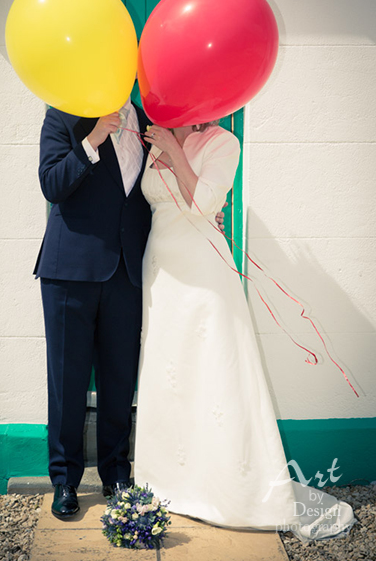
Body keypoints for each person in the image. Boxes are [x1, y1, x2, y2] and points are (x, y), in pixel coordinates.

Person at [134, 121, 355, 541]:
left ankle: (227, 488)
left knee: (214, 373)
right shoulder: (154, 135)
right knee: (169, 375)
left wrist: (174, 151)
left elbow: (202, 205)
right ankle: (169, 483)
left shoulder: (222, 142)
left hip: (203, 268)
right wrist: (163, 142)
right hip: (161, 270)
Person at [35, 98, 159, 519]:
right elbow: (51, 184)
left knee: (119, 381)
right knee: (67, 381)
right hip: (70, 271)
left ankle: (116, 474)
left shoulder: (147, 119)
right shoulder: (63, 114)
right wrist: (92, 140)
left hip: (128, 272)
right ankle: (65, 481)